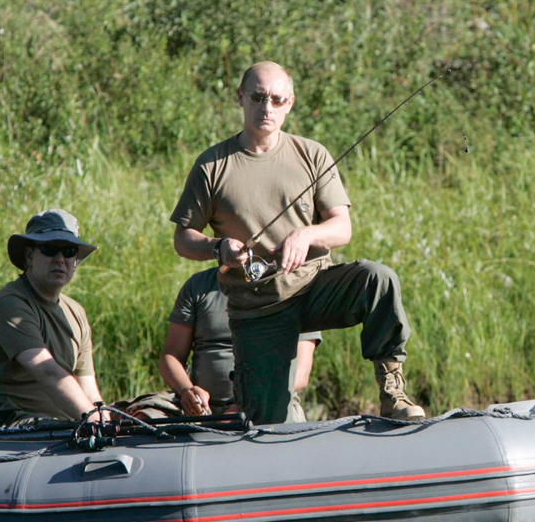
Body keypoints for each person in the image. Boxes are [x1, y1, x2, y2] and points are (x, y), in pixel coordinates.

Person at [170, 60, 425, 425]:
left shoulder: (312, 154)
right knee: (269, 422)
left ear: (290, 103)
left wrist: (306, 234)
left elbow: (341, 227)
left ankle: (392, 392)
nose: (266, 107)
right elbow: (183, 238)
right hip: (257, 307)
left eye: (277, 99)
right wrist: (218, 248)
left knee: (378, 279)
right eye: (258, 97)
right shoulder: (212, 165)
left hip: (315, 287)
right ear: (240, 98)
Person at [0, 209, 109, 427]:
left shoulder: (76, 313)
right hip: (4, 423)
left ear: (76, 260)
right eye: (50, 249)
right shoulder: (10, 304)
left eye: (69, 251)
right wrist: (92, 419)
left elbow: (89, 389)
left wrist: (104, 418)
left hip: (59, 425)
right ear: (30, 256)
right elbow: (47, 371)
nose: (60, 259)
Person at [159, 266, 321, 421]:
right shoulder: (198, 285)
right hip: (199, 408)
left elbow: (301, 373)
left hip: (267, 404)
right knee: (142, 417)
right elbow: (171, 355)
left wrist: (243, 407)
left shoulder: (293, 287)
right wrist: (186, 390)